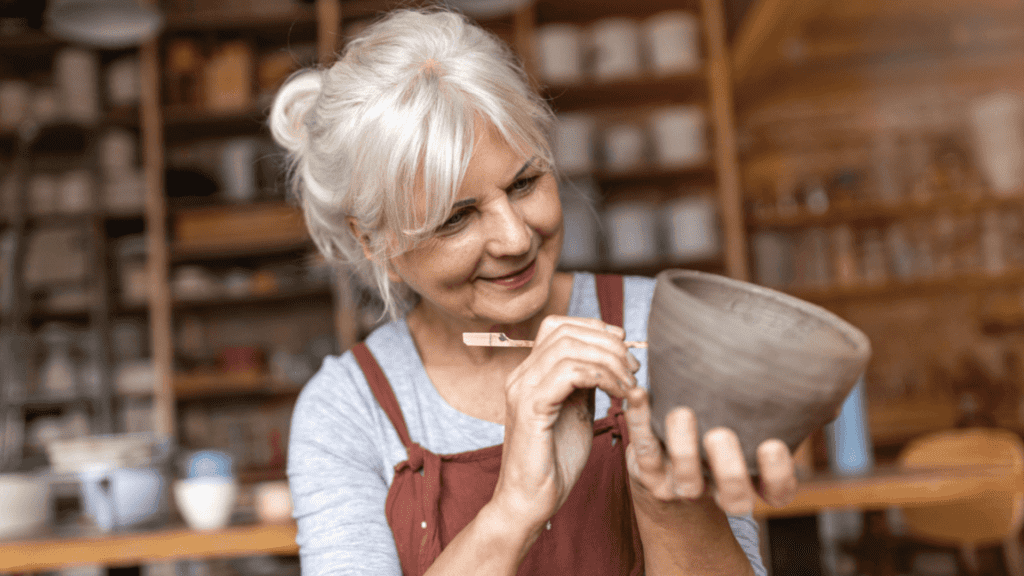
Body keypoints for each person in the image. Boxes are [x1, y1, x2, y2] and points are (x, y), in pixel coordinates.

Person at [270, 8, 797, 575]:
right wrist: (515, 507)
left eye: (525, 183)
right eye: (456, 219)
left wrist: (671, 507)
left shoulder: (664, 329)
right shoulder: (346, 412)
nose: (516, 238)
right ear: (373, 241)